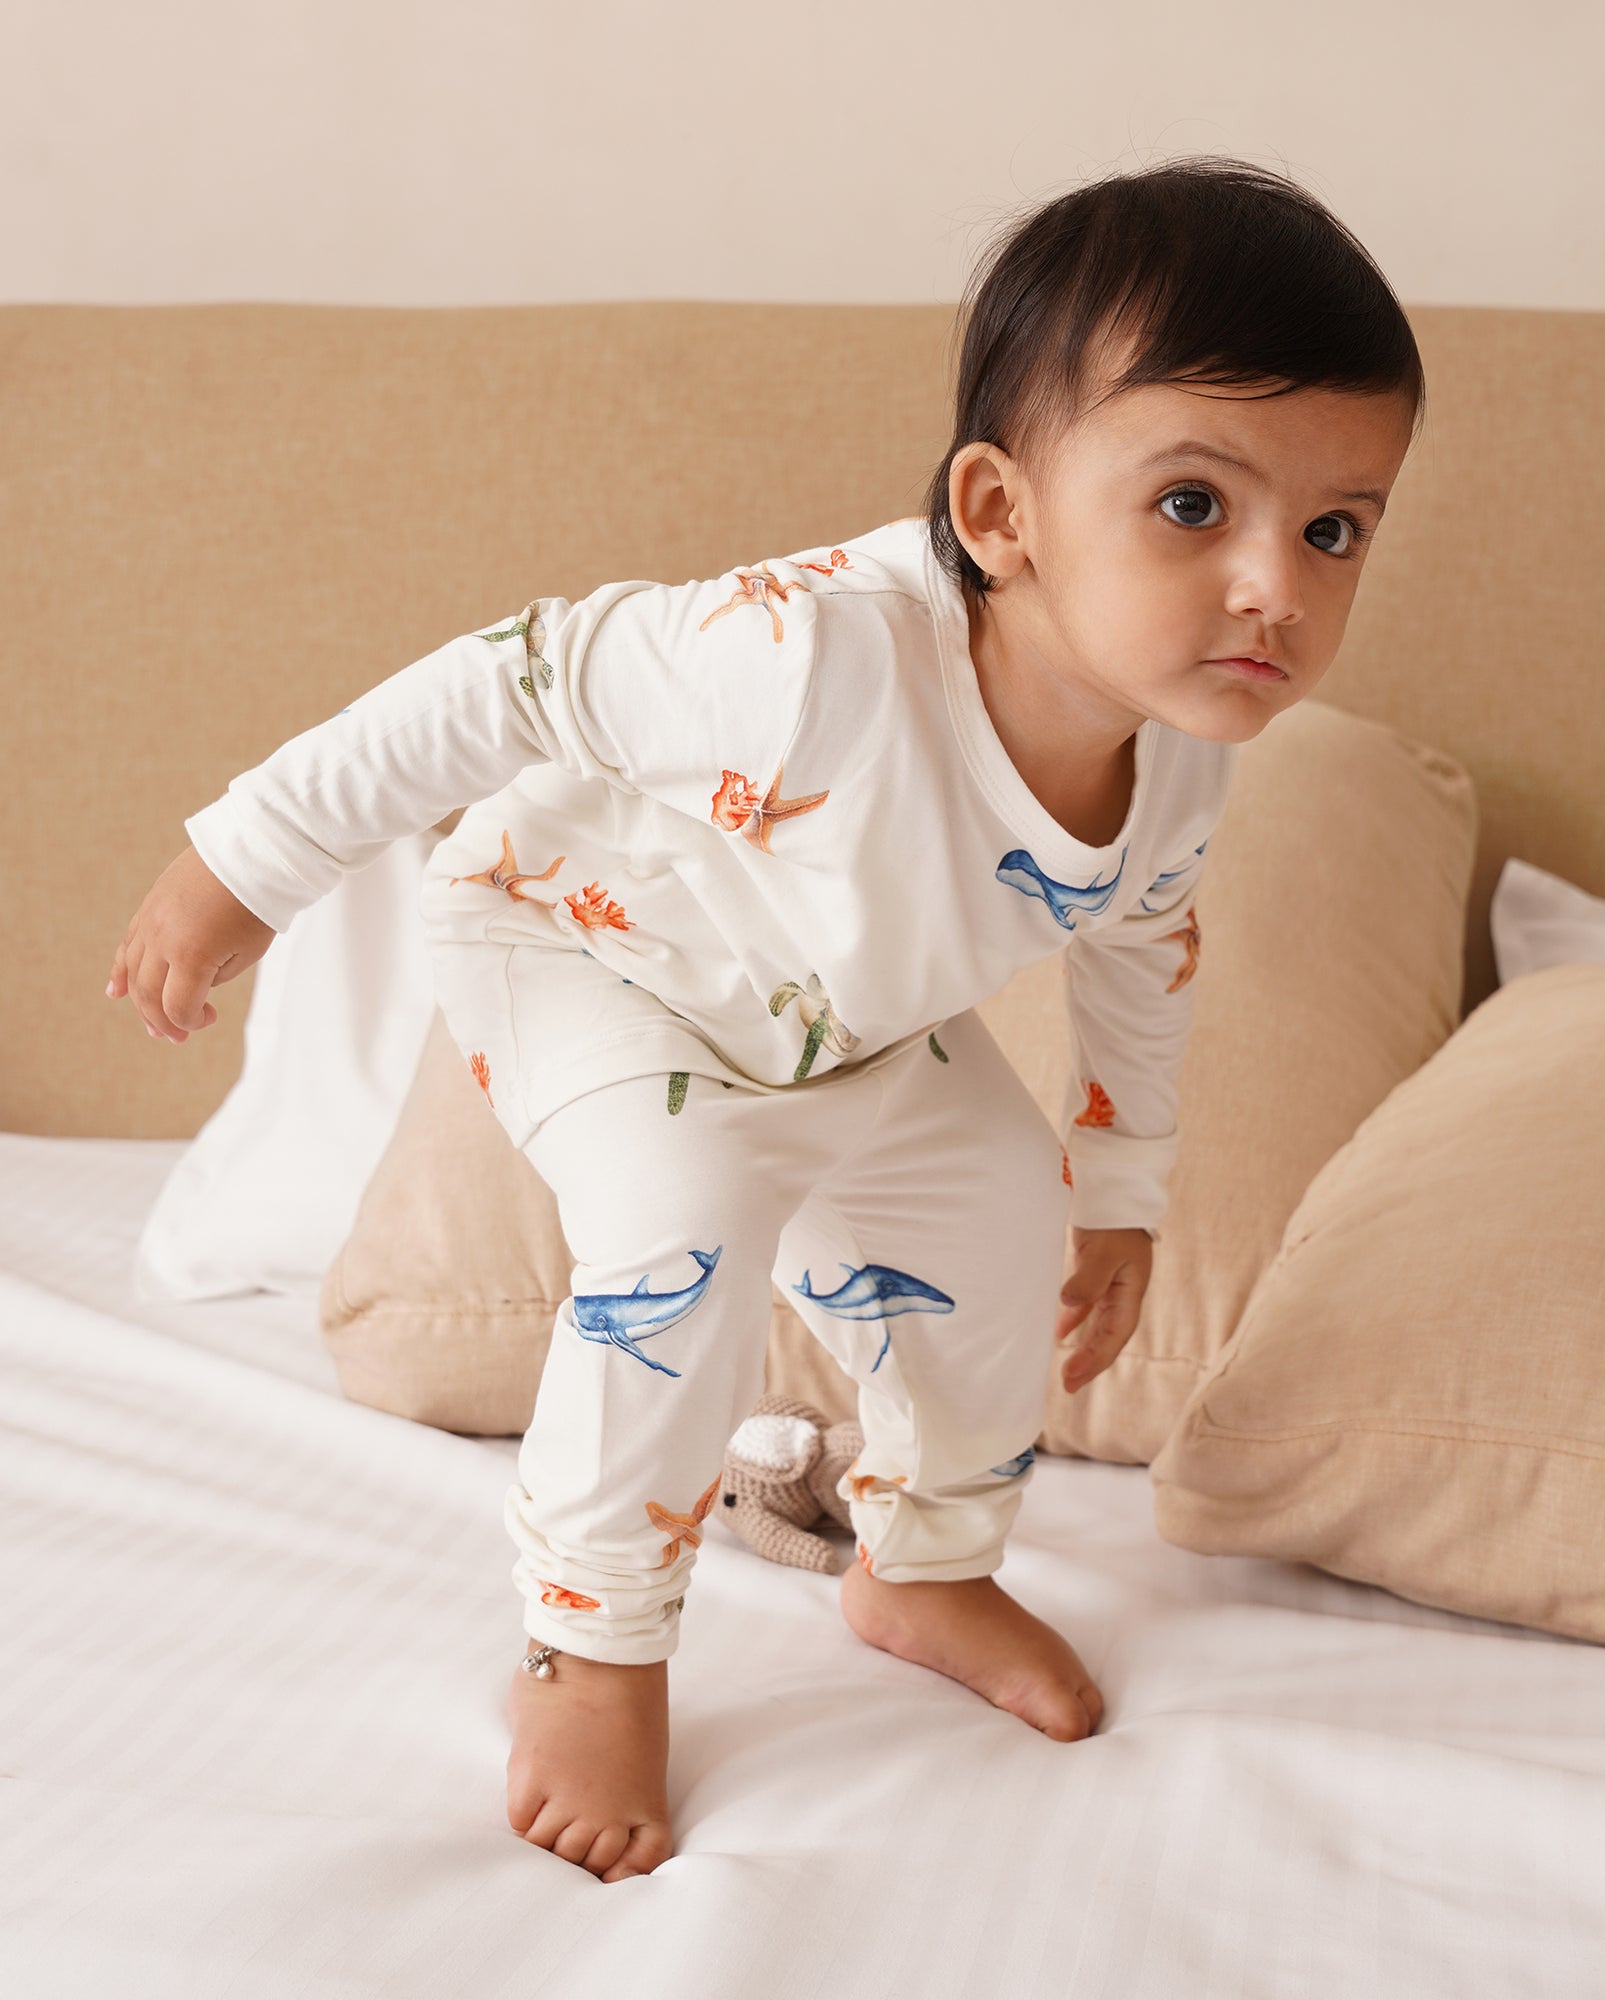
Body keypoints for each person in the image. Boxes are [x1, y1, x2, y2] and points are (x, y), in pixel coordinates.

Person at [105, 155, 1423, 1882]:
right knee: (679, 1242)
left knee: (997, 1222)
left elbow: (1134, 967)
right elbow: (496, 679)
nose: (1278, 587)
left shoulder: (1177, 762)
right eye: (1197, 506)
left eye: (1334, 530)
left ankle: (925, 1563)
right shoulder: (803, 660)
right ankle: (590, 1643)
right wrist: (241, 869)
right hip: (591, 954)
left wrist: (1113, 1191)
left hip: (839, 1020)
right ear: (1000, 512)